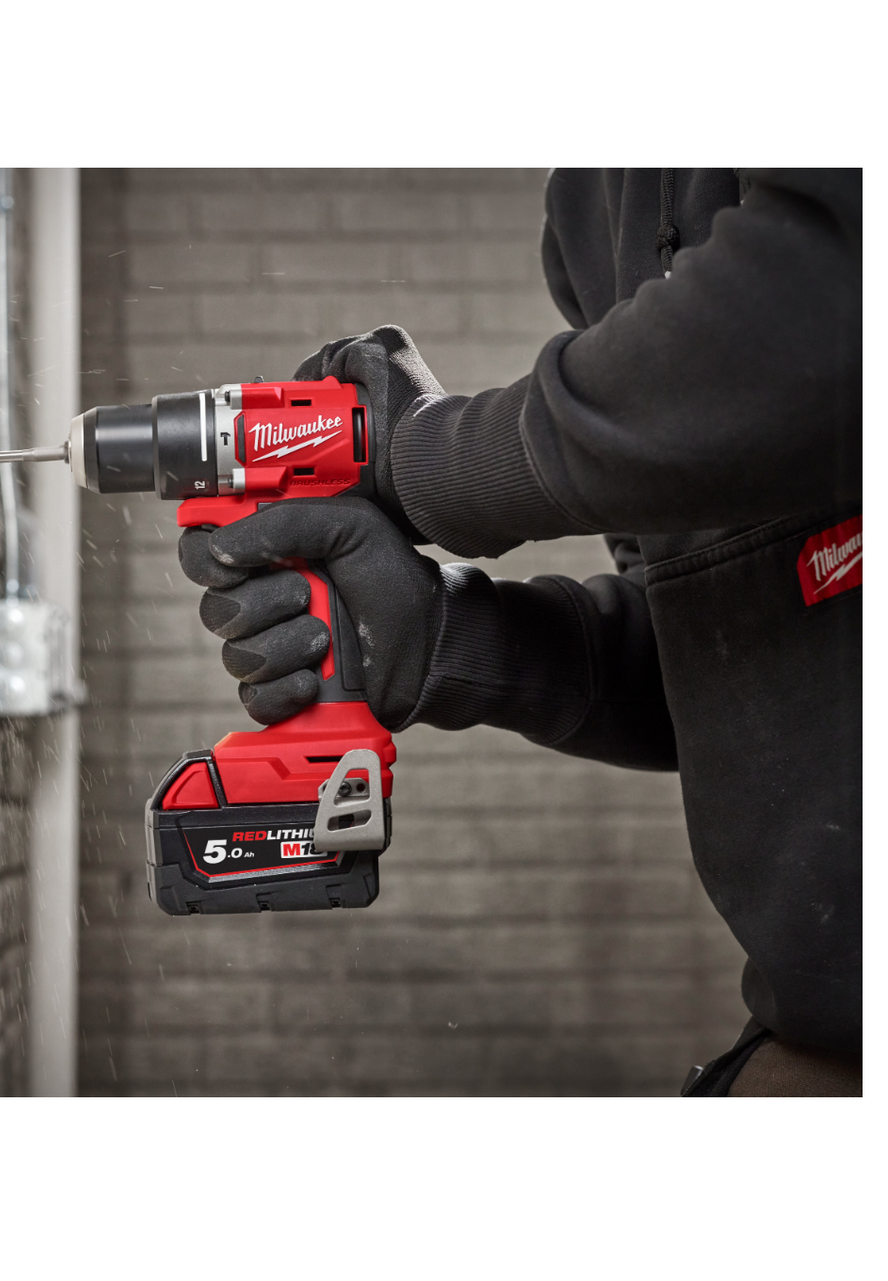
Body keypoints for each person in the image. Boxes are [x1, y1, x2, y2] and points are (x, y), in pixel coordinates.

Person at [178, 169, 862, 1096]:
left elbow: (827, 292)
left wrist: (428, 457)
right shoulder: (584, 207)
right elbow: (716, 654)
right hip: (824, 1030)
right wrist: (453, 636)